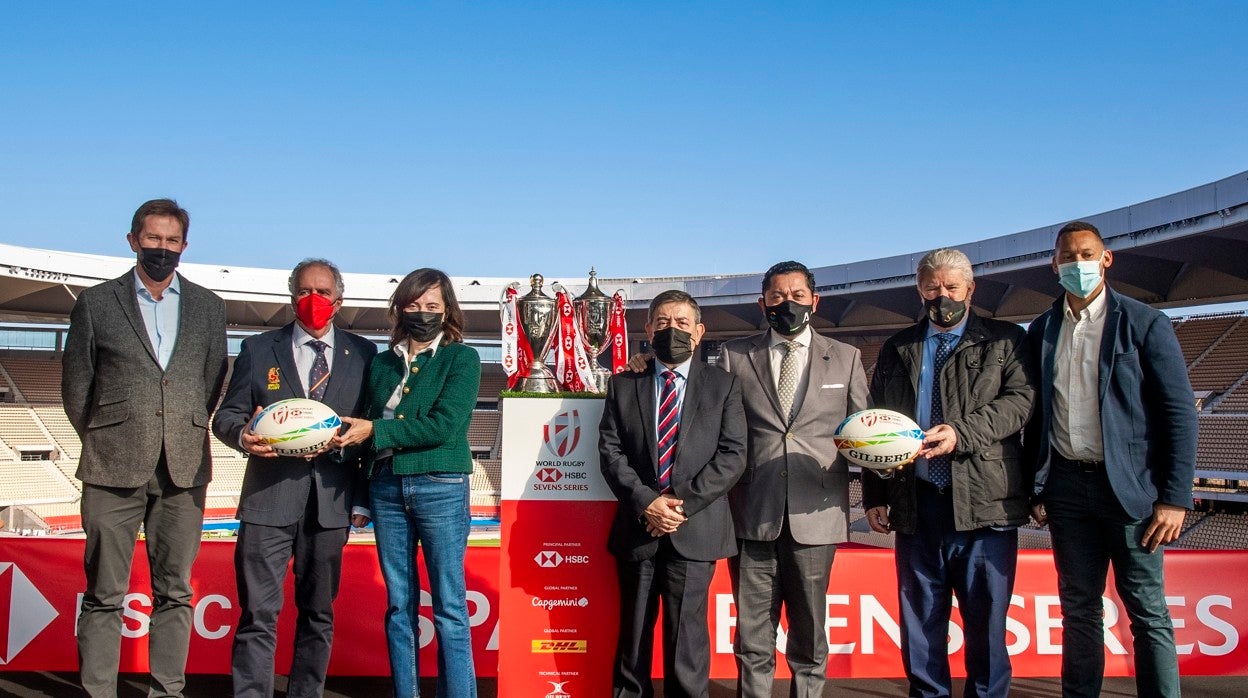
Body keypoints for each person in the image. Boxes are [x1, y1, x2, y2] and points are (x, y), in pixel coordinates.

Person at [62, 198, 228, 698]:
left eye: (171, 240)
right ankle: (98, 692)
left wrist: (181, 425)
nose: (162, 248)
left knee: (175, 593)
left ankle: (167, 690)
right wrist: (108, 436)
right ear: (133, 240)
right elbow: (77, 387)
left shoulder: (208, 306)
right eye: (153, 238)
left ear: (184, 246)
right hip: (112, 465)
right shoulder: (95, 302)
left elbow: (212, 379)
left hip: (183, 466)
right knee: (104, 594)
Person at [1026, 221, 1195, 698]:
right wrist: (1035, 487)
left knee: (1147, 610)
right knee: (1079, 609)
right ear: (1054, 265)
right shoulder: (1041, 329)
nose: (1076, 263)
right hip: (1065, 488)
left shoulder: (1144, 323)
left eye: (1086, 254)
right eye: (1067, 257)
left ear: (1105, 259)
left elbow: (1178, 414)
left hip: (1131, 492)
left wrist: (1175, 498)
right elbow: (1036, 417)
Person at [862, 248, 1035, 698]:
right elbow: (879, 422)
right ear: (919, 290)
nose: (942, 296)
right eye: (932, 288)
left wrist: (961, 432)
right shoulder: (898, 347)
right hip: (918, 505)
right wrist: (874, 493)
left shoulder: (1006, 340)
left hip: (986, 504)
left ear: (970, 289)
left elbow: (1021, 403)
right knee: (920, 624)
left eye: (951, 287)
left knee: (987, 624)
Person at [212, 258, 377, 697]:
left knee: (318, 613)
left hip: (331, 501)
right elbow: (227, 415)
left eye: (323, 292)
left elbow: (371, 429)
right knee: (257, 614)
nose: (313, 300)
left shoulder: (363, 354)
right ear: (291, 297)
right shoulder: (258, 349)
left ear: (338, 302)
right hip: (269, 498)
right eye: (304, 291)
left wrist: (359, 498)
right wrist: (242, 436)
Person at [716, 261, 868, 697]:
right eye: (778, 297)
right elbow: (714, 424)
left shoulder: (847, 357)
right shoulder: (735, 355)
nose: (788, 304)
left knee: (810, 635)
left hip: (816, 513)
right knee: (752, 635)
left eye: (797, 295)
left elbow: (865, 430)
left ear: (814, 301)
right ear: (762, 302)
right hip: (751, 513)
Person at [335, 268, 480, 698]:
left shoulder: (462, 359)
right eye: (414, 305)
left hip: (440, 484)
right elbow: (362, 433)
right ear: (400, 308)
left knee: (450, 606)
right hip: (385, 488)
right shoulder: (380, 363)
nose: (422, 313)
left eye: (432, 306)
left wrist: (374, 432)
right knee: (399, 605)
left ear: (447, 310)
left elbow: (443, 426)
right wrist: (360, 492)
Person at [598, 289, 747, 698]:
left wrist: (678, 505)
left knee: (687, 646)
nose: (671, 330)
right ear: (647, 329)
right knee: (633, 640)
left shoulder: (724, 386)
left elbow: (733, 456)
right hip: (638, 527)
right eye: (662, 322)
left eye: (681, 323)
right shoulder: (623, 384)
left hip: (694, 529)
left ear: (699, 332)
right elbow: (610, 453)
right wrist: (647, 502)